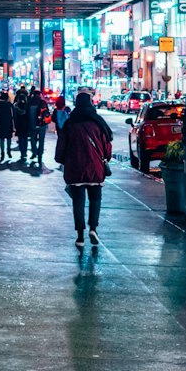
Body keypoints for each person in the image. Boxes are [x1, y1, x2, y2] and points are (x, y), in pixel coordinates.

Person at [54, 89, 113, 251]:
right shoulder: (98, 123)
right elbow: (107, 146)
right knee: (95, 199)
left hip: (75, 169)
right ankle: (93, 228)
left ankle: (80, 236)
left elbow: (61, 148)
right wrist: (105, 157)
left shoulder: (70, 123)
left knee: (78, 202)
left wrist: (61, 159)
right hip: (95, 169)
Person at [27, 85, 51, 167]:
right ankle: (40, 154)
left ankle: (34, 152)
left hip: (33, 125)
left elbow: (27, 115)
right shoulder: (43, 102)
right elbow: (47, 113)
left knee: (33, 139)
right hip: (42, 125)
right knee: (41, 140)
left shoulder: (30, 102)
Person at [0, 90, 15, 161]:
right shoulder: (10, 105)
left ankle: (2, 152)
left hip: (1, 123)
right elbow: (13, 115)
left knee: (2, 139)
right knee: (8, 138)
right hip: (8, 123)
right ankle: (8, 151)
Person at [13, 86, 31, 164]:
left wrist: (15, 125)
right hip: (26, 125)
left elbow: (15, 116)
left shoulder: (16, 106)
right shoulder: (27, 106)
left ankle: (22, 153)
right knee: (25, 139)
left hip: (19, 125)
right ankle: (25, 152)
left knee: (21, 139)